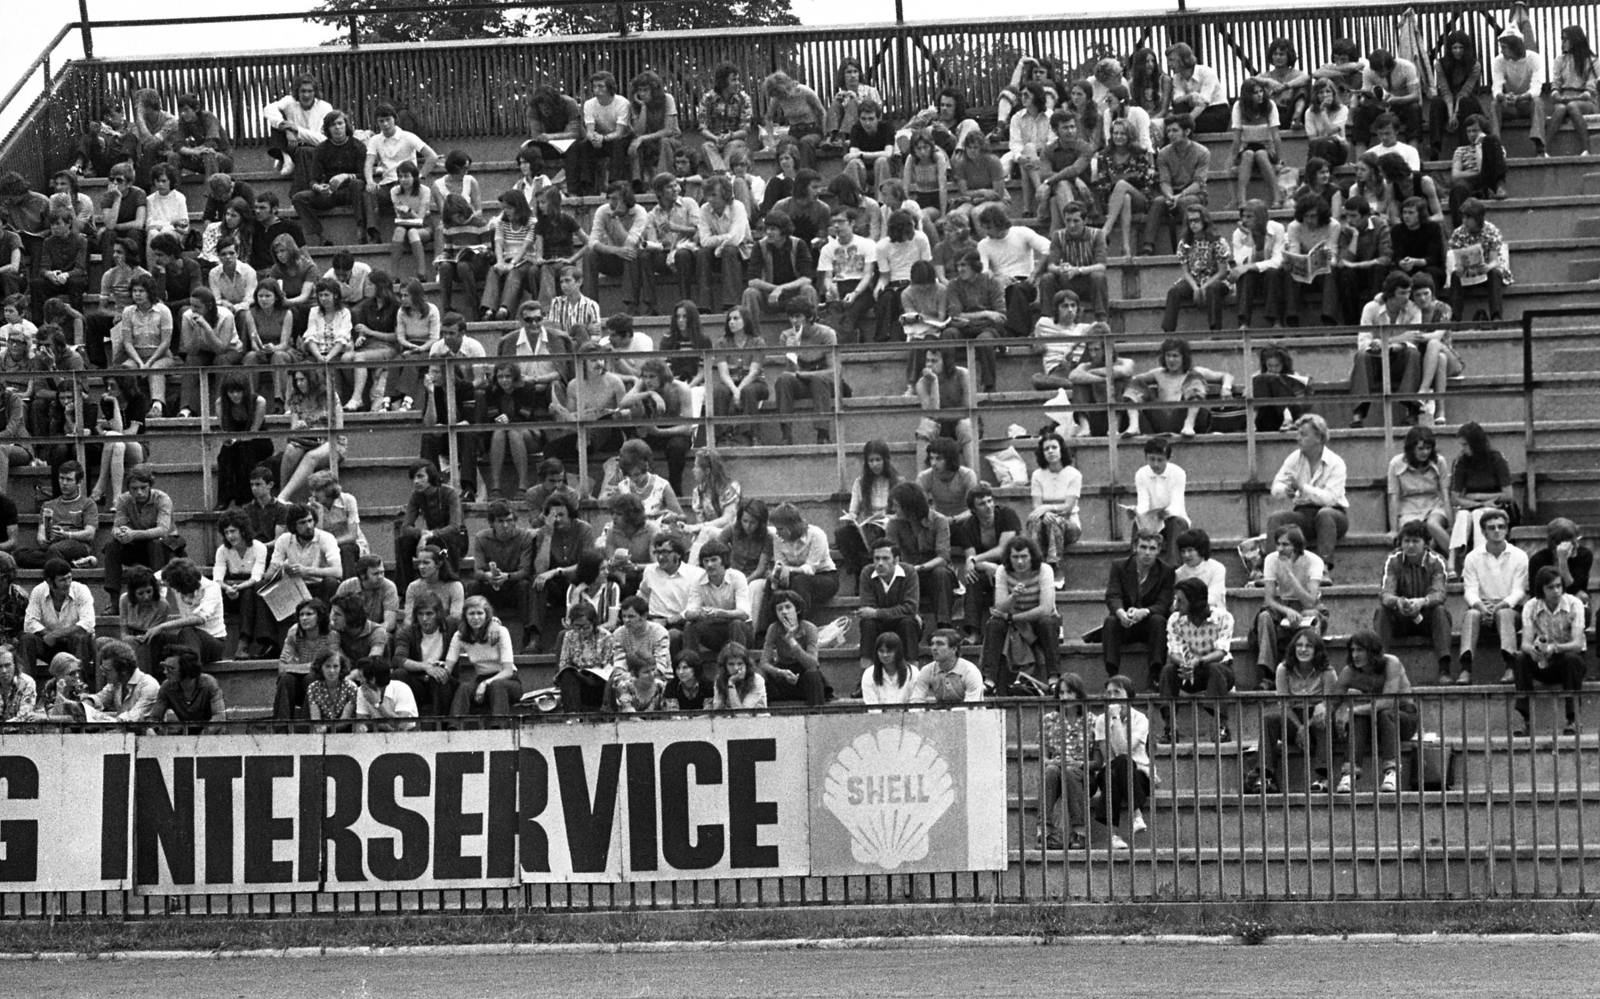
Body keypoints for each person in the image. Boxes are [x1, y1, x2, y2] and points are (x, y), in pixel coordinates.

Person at [1333, 629, 1417, 792]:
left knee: (1383, 714)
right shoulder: (1349, 672)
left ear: (1372, 651)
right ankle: (1349, 774)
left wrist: (1351, 711)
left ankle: (1392, 772)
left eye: (1360, 650)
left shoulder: (1391, 663)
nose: (1355, 655)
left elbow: (1387, 702)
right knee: (1359, 717)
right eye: (1352, 650)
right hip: (1370, 724)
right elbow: (1332, 702)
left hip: (1402, 718)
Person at [1254, 628, 1338, 792]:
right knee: (1269, 719)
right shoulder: (1283, 670)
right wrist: (1300, 728)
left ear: (1317, 650)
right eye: (1299, 645)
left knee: (1324, 721)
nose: (1303, 649)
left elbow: (1331, 704)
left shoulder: (1328, 672)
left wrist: (1309, 724)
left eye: (1309, 646)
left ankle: (1323, 778)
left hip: (1317, 720)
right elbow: (1284, 704)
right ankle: (1265, 776)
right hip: (1293, 718)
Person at [1156, 575, 1236, 743]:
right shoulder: (1175, 620)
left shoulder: (1223, 618)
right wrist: (1184, 664)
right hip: (1189, 671)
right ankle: (1170, 727)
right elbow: (1174, 650)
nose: (1176, 605)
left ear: (1195, 602)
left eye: (1181, 601)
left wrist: (1199, 661)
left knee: (1215, 668)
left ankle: (1222, 726)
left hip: (1218, 669)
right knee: (1168, 670)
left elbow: (1221, 651)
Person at [1267, 415, 1349, 574]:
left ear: (1318, 437)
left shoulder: (1336, 463)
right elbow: (1275, 487)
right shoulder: (1294, 458)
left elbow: (1330, 499)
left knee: (1325, 515)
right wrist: (1286, 490)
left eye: (1303, 434)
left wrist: (1303, 487)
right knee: (1276, 518)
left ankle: (1324, 570)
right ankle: (1270, 569)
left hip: (1334, 515)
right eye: (1298, 434)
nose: (1298, 439)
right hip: (1303, 513)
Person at [1377, 519, 1455, 683]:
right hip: (1401, 617)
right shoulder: (1392, 559)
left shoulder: (1437, 561)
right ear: (1400, 542)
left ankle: (1444, 669)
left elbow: (1439, 593)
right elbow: (1386, 593)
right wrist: (1398, 602)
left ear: (1426, 544)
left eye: (1416, 541)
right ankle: (1379, 666)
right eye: (1406, 541)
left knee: (1440, 611)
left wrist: (1422, 601)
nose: (1410, 545)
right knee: (1382, 611)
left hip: (1426, 618)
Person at [1513, 566, 1588, 736]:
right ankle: (1526, 720)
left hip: (1567, 660)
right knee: (1521, 659)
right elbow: (1524, 643)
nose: (1556, 591)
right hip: (1543, 660)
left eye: (1558, 586)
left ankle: (1574, 720)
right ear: (1541, 589)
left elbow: (1577, 644)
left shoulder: (1574, 604)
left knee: (1572, 659)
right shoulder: (1531, 606)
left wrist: (1555, 649)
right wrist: (1532, 650)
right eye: (1550, 587)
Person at [981, 535, 1060, 694]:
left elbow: (1046, 608)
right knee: (994, 624)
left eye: (1024, 556)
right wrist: (1013, 597)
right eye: (1015, 557)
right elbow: (1000, 608)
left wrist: (1012, 617)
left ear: (1032, 556)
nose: (1020, 562)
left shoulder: (1044, 570)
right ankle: (989, 680)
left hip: (1035, 620)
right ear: (1009, 558)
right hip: (1013, 623)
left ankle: (1054, 678)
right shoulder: (1002, 571)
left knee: (1048, 622)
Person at [1459, 506, 1528, 686]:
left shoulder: (1519, 556)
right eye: (1491, 527)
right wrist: (1481, 607)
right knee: (1471, 615)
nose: (1497, 531)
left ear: (1506, 529)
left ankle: (1511, 666)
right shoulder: (1473, 557)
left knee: (1504, 615)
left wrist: (1501, 605)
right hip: (1482, 606)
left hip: (1510, 609)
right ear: (1483, 531)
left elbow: (1519, 591)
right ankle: (1466, 669)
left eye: (1501, 526)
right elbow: (1470, 590)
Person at [1102, 530, 1175, 691]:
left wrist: (1144, 612)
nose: (1147, 553)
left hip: (1148, 625)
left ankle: (1156, 676)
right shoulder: (1119, 566)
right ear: (1135, 547)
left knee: (1159, 620)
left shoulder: (1167, 571)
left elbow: (1163, 604)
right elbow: (1113, 595)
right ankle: (1112, 675)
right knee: (1110, 621)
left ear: (1158, 551)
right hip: (1124, 623)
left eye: (1152, 548)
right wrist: (1121, 613)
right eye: (1143, 547)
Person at [1123, 336, 1233, 438]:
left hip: (1184, 417)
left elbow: (1226, 375)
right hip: (1160, 419)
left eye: (1175, 356)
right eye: (1168, 355)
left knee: (1195, 378)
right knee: (1136, 382)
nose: (1171, 360)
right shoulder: (1158, 373)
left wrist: (1226, 387)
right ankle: (1134, 425)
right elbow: (1133, 380)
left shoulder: (1194, 372)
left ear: (1183, 357)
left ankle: (1189, 424)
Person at [363, 102, 439, 245]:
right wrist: (370, 181)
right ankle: (374, 234)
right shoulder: (375, 140)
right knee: (368, 193)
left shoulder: (408, 136)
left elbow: (432, 156)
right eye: (381, 121)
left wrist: (419, 177)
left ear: (394, 119)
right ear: (377, 122)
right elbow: (368, 163)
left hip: (406, 183)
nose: (385, 124)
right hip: (387, 184)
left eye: (388, 120)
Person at [103, 463, 175, 604]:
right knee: (111, 547)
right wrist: (120, 533)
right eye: (134, 489)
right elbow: (117, 526)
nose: (139, 492)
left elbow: (163, 530)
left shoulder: (162, 499)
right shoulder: (123, 500)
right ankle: (114, 601)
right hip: (137, 547)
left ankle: (157, 597)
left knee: (155, 543)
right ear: (129, 489)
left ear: (150, 486)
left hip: (163, 546)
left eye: (143, 488)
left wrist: (134, 534)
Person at [975, 202, 1050, 337]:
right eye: (984, 228)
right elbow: (983, 271)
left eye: (989, 228)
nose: (986, 232)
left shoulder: (1022, 232)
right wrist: (997, 279)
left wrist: (1034, 274)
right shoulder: (983, 245)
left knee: (1017, 290)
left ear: (999, 224)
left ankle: (1015, 332)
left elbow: (1048, 248)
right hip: (999, 283)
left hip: (1025, 281)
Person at [1093, 674, 1151, 845]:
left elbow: (1125, 751)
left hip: (1139, 773)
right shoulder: (1101, 720)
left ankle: (1113, 835)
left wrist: (1116, 719)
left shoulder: (1140, 719)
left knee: (1123, 764)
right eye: (1108, 693)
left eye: (1117, 692)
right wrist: (1114, 718)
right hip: (1111, 769)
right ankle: (1137, 816)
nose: (1111, 697)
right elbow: (1110, 756)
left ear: (1129, 695)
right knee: (1115, 768)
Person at [1449, 421, 1516, 567]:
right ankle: (1452, 561)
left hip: (1495, 506)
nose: (1463, 449)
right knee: (1462, 515)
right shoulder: (1462, 461)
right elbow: (1455, 497)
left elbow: (1508, 494)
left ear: (1476, 443)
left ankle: (1478, 561)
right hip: (1472, 506)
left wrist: (1477, 496)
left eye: (1466, 445)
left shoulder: (1497, 459)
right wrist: (1480, 503)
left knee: (1479, 515)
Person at [770, 299, 837, 446]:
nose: (794, 321)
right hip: (801, 381)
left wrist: (806, 375)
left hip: (824, 383)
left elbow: (834, 372)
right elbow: (790, 372)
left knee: (818, 380)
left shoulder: (827, 334)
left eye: (798, 316)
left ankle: (823, 434)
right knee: (783, 380)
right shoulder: (787, 336)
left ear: (809, 317)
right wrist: (792, 350)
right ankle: (786, 434)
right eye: (791, 317)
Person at [1143, 115, 1212, 257]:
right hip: (1172, 192)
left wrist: (1179, 196)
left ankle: (1185, 245)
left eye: (1175, 130)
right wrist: (1169, 195)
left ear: (1186, 132)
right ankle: (1147, 246)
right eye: (1168, 131)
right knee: (1157, 202)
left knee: (1184, 202)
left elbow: (1199, 182)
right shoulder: (1163, 153)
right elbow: (1165, 181)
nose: (1170, 134)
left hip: (1195, 194)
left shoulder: (1202, 152)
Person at [443, 595, 520, 719]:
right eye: (471, 614)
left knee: (497, 686)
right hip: (481, 678)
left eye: (480, 613)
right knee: (464, 687)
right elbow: (448, 666)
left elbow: (508, 671)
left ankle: (499, 729)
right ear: (465, 616)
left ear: (487, 615)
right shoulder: (460, 636)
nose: (476, 618)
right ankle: (453, 729)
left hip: (508, 681)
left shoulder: (500, 631)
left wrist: (485, 684)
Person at [395, 459, 465, 592]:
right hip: (429, 540)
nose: (416, 481)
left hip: (453, 542)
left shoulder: (450, 493)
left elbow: (455, 527)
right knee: (403, 542)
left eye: (420, 476)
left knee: (448, 540)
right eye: (414, 477)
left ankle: (454, 584)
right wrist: (422, 534)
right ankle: (405, 590)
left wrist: (430, 534)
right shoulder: (416, 495)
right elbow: (406, 527)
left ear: (431, 476)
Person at [19, 558, 95, 679]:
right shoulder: (38, 591)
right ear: (49, 582)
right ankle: (26, 687)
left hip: (74, 644)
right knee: (27, 639)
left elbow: (88, 623)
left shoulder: (81, 590)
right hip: (49, 645)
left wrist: (55, 635)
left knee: (80, 637)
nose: (67, 583)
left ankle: (80, 688)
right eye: (62, 580)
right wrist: (46, 634)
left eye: (69, 578)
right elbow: (29, 622)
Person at [214, 507, 273, 658]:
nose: (230, 536)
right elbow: (217, 578)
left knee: (250, 592)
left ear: (243, 530)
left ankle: (243, 643)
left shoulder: (258, 547)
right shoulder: (222, 550)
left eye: (233, 531)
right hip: (229, 591)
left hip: (248, 590)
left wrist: (239, 587)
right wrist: (228, 588)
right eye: (226, 532)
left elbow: (257, 576)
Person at [1028, 431, 1082, 581]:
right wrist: (1044, 513)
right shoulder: (1037, 475)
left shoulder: (1074, 475)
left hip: (1069, 526)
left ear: (1061, 449)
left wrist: (1046, 509)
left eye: (1054, 447)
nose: (1050, 451)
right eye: (1046, 449)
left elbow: (1068, 507)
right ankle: (1035, 565)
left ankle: (1054, 567)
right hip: (1045, 524)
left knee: (1055, 521)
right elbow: (1036, 506)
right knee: (1034, 521)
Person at [391, 589, 455, 716]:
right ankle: (406, 723)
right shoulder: (407, 632)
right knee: (399, 674)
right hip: (419, 681)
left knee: (438, 676)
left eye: (429, 614)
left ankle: (441, 727)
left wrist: (493, 623)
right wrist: (426, 667)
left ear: (438, 614)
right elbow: (398, 659)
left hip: (445, 682)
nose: (424, 619)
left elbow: (474, 623)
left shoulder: (451, 626)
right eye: (420, 614)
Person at [261, 74, 333, 186]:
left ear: (315, 92)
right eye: (302, 91)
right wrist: (287, 130)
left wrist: (296, 130)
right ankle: (287, 159)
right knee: (276, 124)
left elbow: (323, 140)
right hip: (292, 147)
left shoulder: (325, 107)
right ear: (297, 92)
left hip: (313, 150)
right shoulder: (289, 101)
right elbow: (268, 109)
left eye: (310, 91)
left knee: (303, 151)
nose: (306, 95)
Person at [1446, 198, 1509, 321]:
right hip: (1468, 272)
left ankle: (1496, 316)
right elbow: (1458, 257)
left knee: (1495, 273)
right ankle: (1455, 317)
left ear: (1477, 218)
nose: (1464, 221)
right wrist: (1460, 267)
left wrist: (1487, 267)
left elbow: (1494, 260)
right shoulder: (1458, 233)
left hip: (1487, 270)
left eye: (1468, 218)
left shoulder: (1491, 231)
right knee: (1455, 276)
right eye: (1463, 218)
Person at [266, 503, 341, 605]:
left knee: (331, 582)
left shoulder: (326, 538)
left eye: (310, 520)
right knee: (261, 586)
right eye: (302, 523)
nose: (309, 526)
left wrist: (307, 571)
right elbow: (268, 575)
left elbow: (338, 571)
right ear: (293, 526)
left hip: (318, 585)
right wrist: (282, 569)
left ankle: (324, 619)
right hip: (293, 586)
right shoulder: (284, 539)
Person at [272, 597, 334, 718]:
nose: (304, 618)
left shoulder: (331, 635)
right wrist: (312, 666)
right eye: (301, 615)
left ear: (320, 616)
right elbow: (282, 668)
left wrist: (294, 666)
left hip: (324, 688)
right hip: (297, 688)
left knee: (311, 678)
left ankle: (307, 728)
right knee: (286, 679)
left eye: (309, 614)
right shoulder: (294, 634)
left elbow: (327, 668)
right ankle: (280, 729)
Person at [1230, 199, 1286, 329]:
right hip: (1251, 278)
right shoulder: (1238, 234)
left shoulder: (1277, 228)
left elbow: (1278, 261)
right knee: (1246, 276)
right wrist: (1249, 239)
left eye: (1249, 216)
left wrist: (1250, 266)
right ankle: (1243, 323)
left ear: (1261, 217)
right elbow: (1240, 263)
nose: (1244, 220)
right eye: (1243, 216)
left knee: (1272, 272)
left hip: (1272, 276)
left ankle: (1276, 321)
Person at [1351, 50, 1425, 147]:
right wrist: (1366, 100)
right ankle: (1361, 154)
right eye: (1375, 70)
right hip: (1379, 107)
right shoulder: (1368, 71)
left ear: (1390, 66)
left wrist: (1397, 99)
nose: (1377, 73)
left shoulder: (1407, 67)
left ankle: (1413, 150)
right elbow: (1365, 97)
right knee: (1360, 113)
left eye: (1380, 70)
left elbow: (1415, 95)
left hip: (1401, 106)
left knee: (1415, 108)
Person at [1133, 436, 1189, 556]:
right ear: (1146, 458)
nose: (1155, 464)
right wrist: (1136, 512)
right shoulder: (1141, 474)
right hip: (1152, 522)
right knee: (1136, 523)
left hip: (1172, 521)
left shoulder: (1178, 473)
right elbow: (1143, 502)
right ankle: (1135, 563)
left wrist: (1167, 513)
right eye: (1151, 459)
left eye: (1160, 460)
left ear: (1167, 459)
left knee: (1176, 523)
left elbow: (1177, 504)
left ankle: (1172, 566)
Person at [1547, 25, 1598, 156]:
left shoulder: (1592, 61)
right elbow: (1556, 82)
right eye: (1562, 39)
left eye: (1565, 39)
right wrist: (1556, 93)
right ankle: (1545, 149)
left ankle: (1586, 148)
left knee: (1571, 106)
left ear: (1575, 40)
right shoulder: (1560, 60)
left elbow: (1590, 90)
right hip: (1563, 99)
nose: (1562, 43)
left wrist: (1575, 98)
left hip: (1584, 101)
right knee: (1560, 109)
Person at [86, 638, 161, 723]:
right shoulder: (117, 682)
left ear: (123, 671)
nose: (103, 674)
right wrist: (86, 704)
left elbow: (133, 717)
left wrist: (106, 722)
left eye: (107, 671)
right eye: (102, 669)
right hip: (123, 732)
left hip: (147, 734)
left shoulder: (149, 686)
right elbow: (100, 698)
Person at [910, 627, 983, 703]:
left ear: (954, 649)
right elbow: (916, 700)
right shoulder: (927, 670)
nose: (933, 648)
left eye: (940, 644)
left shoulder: (970, 671)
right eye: (932, 644)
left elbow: (971, 706)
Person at [355, 660, 419, 733]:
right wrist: (384, 726)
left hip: (409, 736)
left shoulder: (402, 689)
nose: (358, 680)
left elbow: (401, 724)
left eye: (360, 676)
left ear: (372, 680)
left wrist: (377, 704)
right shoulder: (362, 690)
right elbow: (361, 723)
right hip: (378, 736)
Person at [1174, 527, 1227, 612]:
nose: (1186, 555)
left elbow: (1211, 598)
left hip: (1213, 613)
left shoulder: (1217, 569)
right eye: (1183, 551)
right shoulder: (1179, 573)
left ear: (1201, 550)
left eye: (1190, 550)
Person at [305, 650, 357, 731]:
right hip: (321, 732)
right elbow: (315, 719)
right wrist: (320, 729)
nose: (332, 671)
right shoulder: (313, 688)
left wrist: (327, 728)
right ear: (320, 667)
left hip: (346, 732)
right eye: (327, 666)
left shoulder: (351, 687)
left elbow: (345, 721)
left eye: (335, 666)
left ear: (341, 667)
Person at [711, 641, 767, 710]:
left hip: (757, 719)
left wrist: (731, 683)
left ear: (746, 664)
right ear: (724, 665)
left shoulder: (757, 680)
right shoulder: (719, 679)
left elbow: (742, 714)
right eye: (731, 664)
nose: (736, 668)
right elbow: (717, 709)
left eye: (740, 664)